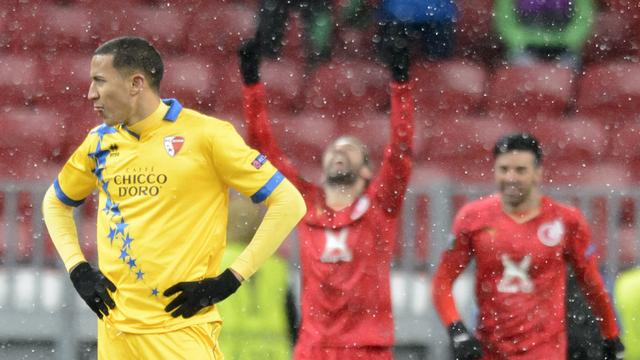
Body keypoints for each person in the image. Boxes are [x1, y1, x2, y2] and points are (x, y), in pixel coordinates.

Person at [41, 36, 306, 359]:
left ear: (136, 83)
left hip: (180, 331)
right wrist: (77, 268)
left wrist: (230, 279)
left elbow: (289, 202)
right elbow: (54, 203)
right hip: (116, 333)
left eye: (99, 81)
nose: (90, 93)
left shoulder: (207, 135)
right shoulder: (98, 143)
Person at [237, 27, 414, 359]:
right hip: (314, 348)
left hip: (367, 349)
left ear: (366, 171)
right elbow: (264, 150)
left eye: (350, 150)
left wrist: (400, 83)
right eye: (334, 149)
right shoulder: (304, 203)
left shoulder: (380, 207)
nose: (338, 152)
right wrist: (251, 84)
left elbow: (400, 151)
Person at [431, 133, 625, 360]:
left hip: (545, 351)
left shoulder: (565, 220)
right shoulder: (473, 218)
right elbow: (442, 281)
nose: (510, 178)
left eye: (520, 170)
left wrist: (610, 335)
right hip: (491, 349)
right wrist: (457, 330)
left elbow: (591, 283)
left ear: (538, 173)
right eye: (503, 170)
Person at [217, 194, 296, 359]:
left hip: (229, 351)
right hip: (273, 352)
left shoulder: (215, 262)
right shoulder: (277, 265)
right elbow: (292, 316)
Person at [494, 0, 595, 69]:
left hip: (565, 50)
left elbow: (584, 17)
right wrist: (521, 42)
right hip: (524, 50)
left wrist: (568, 41)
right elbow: (504, 19)